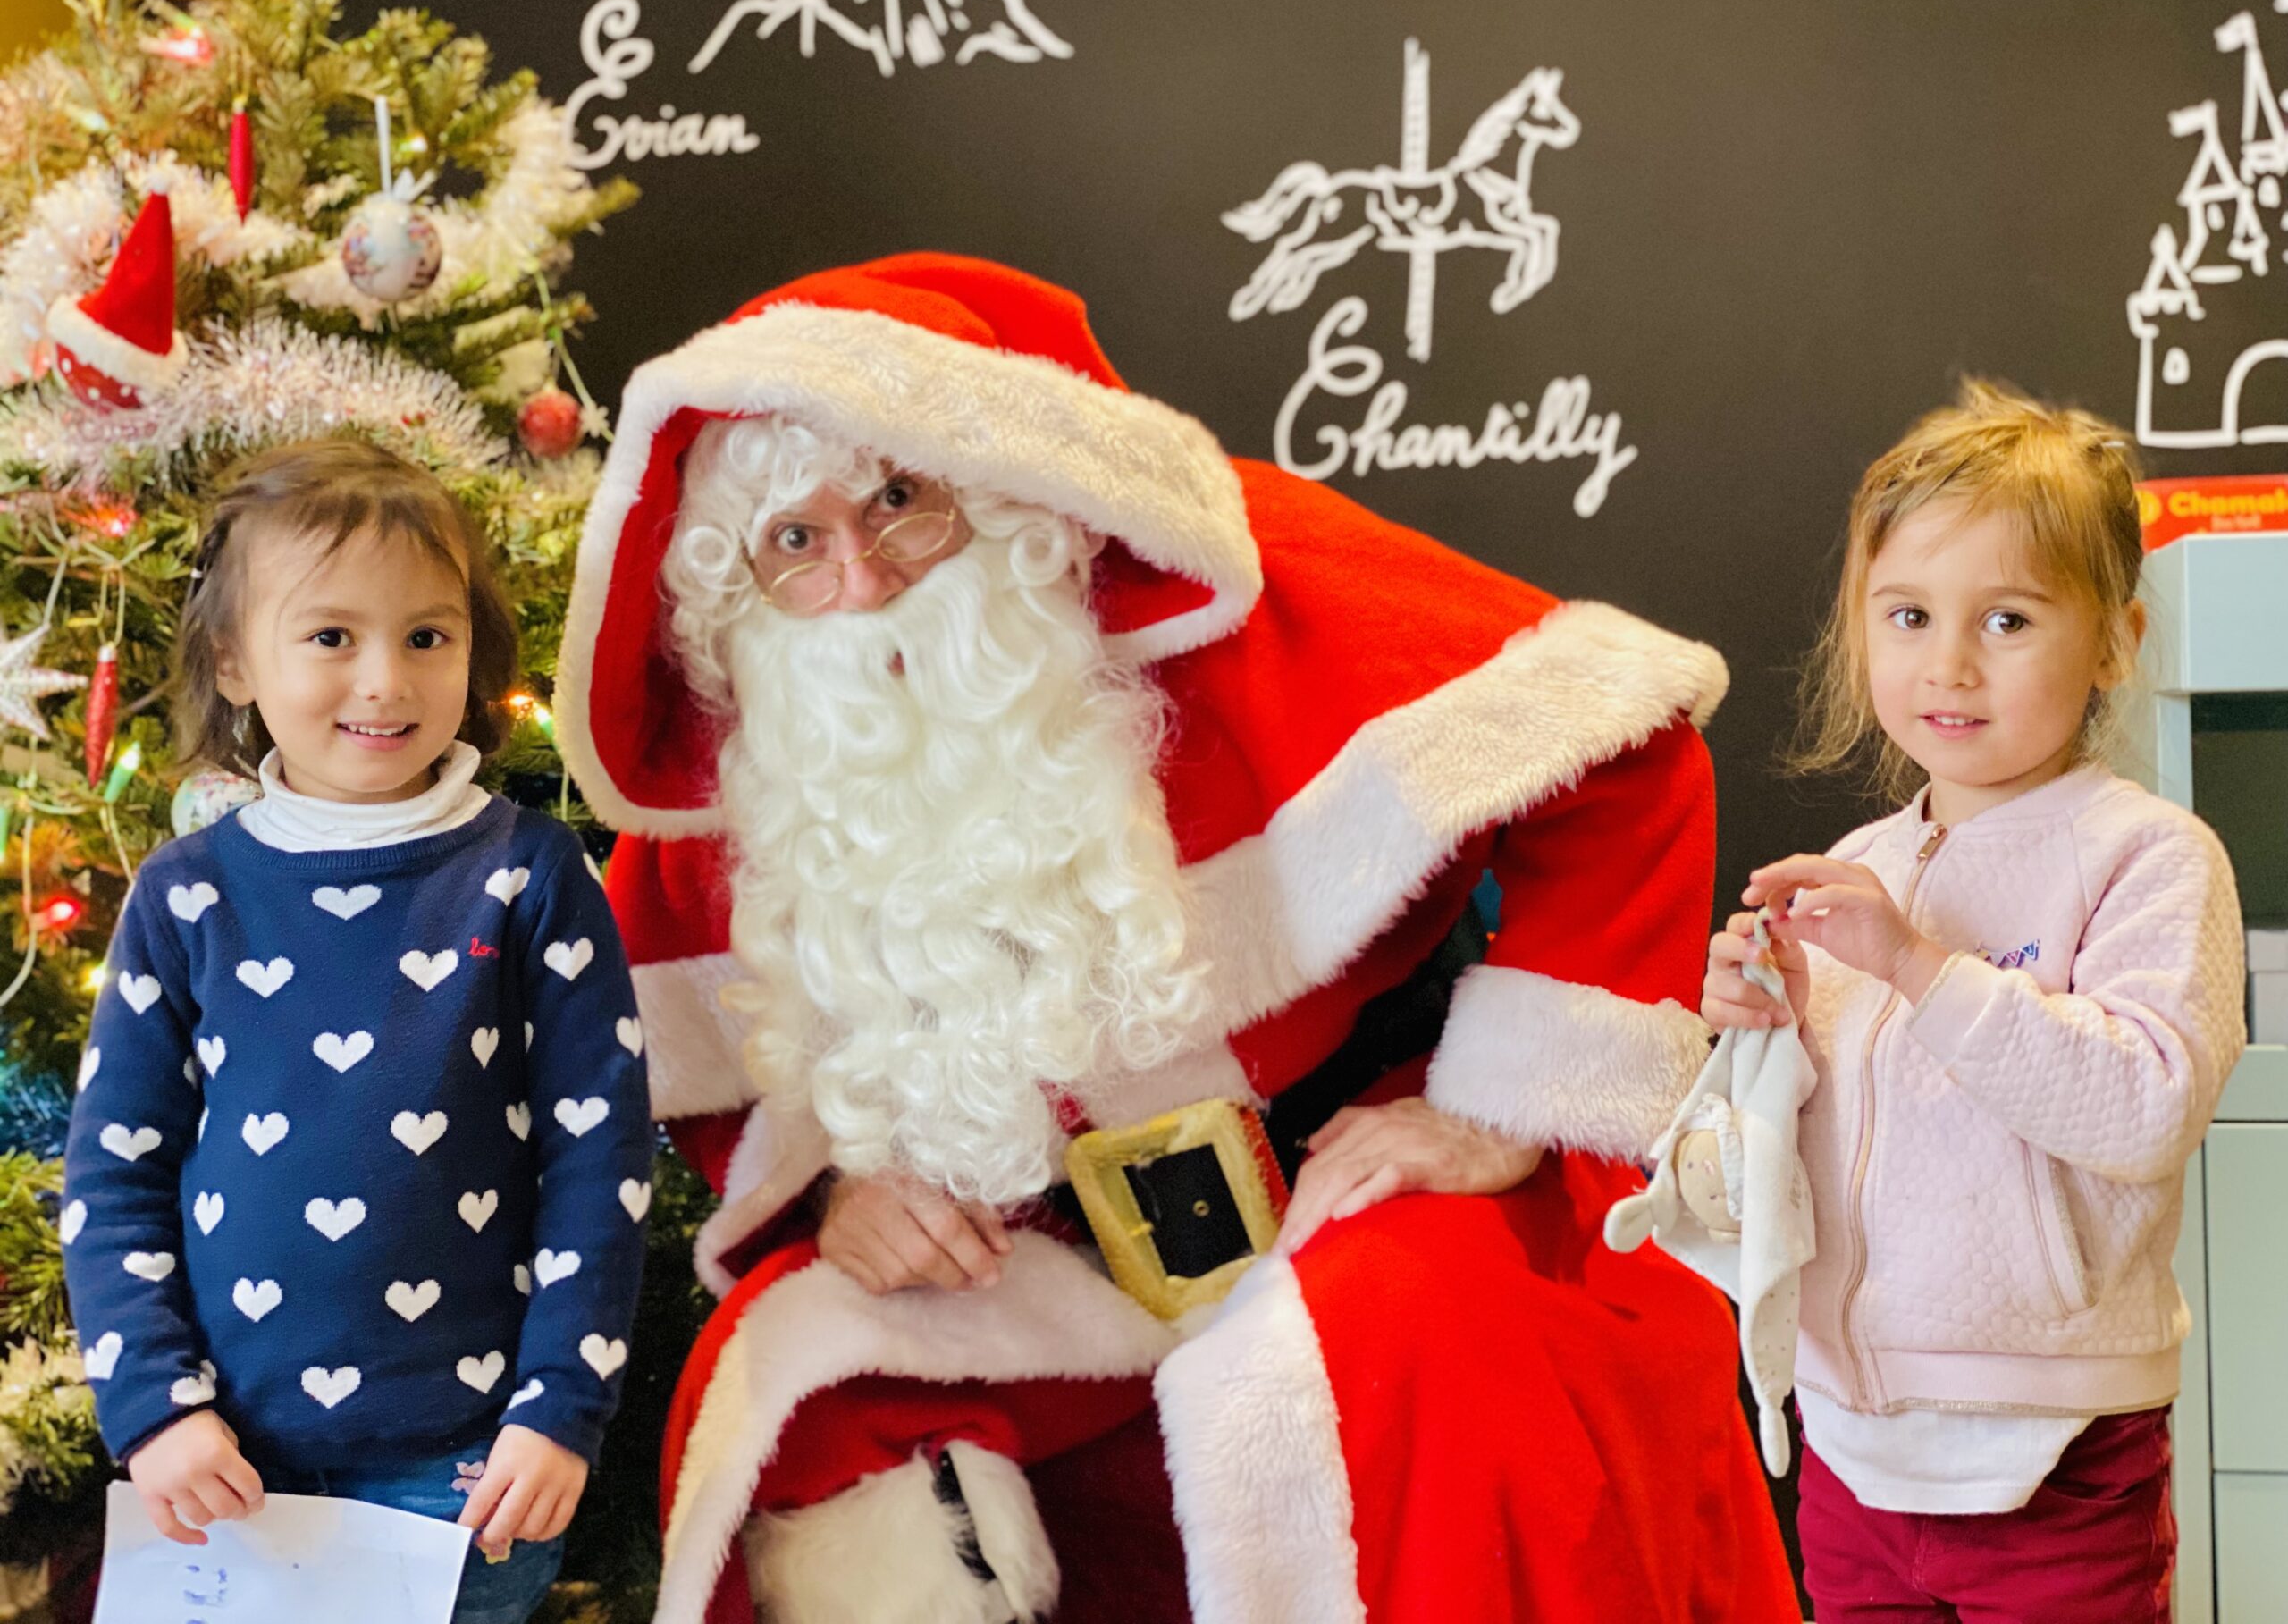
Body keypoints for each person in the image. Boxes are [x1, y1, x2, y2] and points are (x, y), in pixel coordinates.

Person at [556, 254, 1797, 1624]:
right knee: (794, 1381)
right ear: (737, 587)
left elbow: (1622, 738)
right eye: (795, 543)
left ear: (986, 479)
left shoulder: (1222, 578)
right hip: (1052, 1261)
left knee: (1404, 1359)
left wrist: (1497, 1110)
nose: (863, 574)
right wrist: (843, 1198)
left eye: (899, 500)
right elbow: (715, 1065)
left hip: (1349, 1174)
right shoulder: (757, 770)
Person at [60, 440, 653, 1624]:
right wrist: (156, 1408)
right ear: (236, 662)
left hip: (468, 1472)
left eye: (426, 637)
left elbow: (600, 1168)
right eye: (332, 637)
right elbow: (113, 1173)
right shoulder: (187, 895)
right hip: (230, 1467)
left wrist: (557, 1408)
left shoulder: (530, 876)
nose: (385, 681)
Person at [1700, 381, 2246, 1623]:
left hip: (2054, 1446)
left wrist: (1917, 969)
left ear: (2113, 640)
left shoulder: (2151, 856)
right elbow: (1809, 1154)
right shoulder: (1868, 865)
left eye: (2006, 618)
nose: (1947, 663)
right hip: (1852, 1437)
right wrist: (1757, 1034)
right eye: (1908, 615)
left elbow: (2146, 1107)